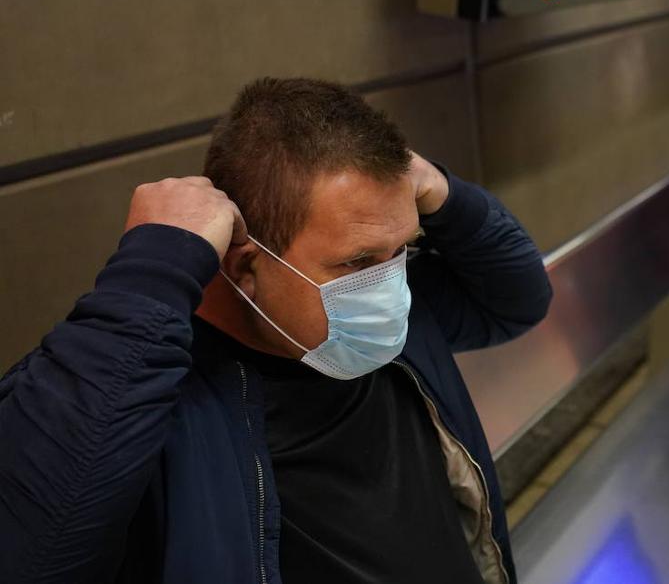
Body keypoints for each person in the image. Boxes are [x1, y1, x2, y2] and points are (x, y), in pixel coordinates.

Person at [0, 78, 553, 583]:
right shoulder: (153, 407)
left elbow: (516, 301)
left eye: (401, 251)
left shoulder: (397, 321)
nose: (390, 287)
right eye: (358, 262)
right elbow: (34, 552)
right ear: (244, 266)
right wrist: (156, 267)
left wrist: (440, 190)